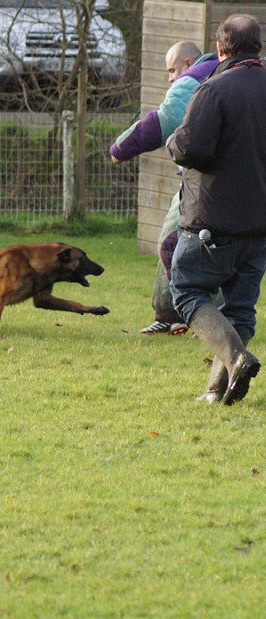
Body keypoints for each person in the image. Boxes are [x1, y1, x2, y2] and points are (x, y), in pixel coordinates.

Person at [166, 14, 266, 405]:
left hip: (213, 219)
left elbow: (192, 148)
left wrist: (174, 140)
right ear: (258, 46)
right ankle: (216, 391)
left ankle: (236, 357)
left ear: (221, 49)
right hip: (260, 224)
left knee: (187, 291)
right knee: (239, 308)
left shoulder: (214, 89)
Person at [110, 41, 218, 335]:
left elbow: (164, 121)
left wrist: (121, 147)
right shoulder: (226, 74)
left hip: (203, 183)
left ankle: (203, 315)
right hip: (226, 181)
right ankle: (170, 313)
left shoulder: (192, 80)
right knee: (185, 244)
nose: (171, 77)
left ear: (187, 63)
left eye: (172, 70)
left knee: (174, 243)